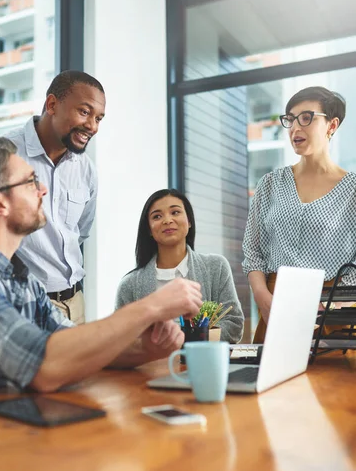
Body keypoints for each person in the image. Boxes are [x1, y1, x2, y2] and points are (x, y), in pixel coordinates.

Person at [0, 139, 203, 403]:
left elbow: (73, 347)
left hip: (8, 432)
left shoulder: (23, 279)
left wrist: (148, 349)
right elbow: (44, 365)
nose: (43, 190)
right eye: (30, 182)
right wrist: (151, 306)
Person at [0, 70, 105, 325]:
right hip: (20, 305)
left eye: (99, 118)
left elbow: (80, 233)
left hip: (75, 303)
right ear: (52, 104)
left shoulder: (86, 169)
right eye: (85, 112)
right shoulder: (5, 155)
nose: (92, 126)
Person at [242, 86, 356, 343]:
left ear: (331, 125)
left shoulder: (354, 191)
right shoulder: (270, 184)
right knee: (270, 382)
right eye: (290, 120)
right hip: (275, 308)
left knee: (331, 383)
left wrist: (330, 304)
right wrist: (263, 299)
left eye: (306, 118)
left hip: (334, 318)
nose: (295, 127)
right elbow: (253, 252)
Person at [115, 189, 244, 343]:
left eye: (175, 212)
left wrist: (188, 340)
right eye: (157, 216)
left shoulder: (216, 267)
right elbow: (120, 338)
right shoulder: (129, 285)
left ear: (189, 221)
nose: (167, 220)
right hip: (150, 366)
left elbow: (234, 325)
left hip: (202, 363)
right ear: (149, 229)